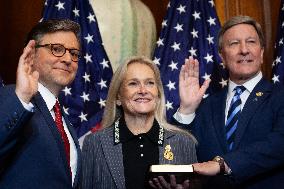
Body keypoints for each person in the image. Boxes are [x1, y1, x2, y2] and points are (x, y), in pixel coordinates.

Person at [169, 15, 284, 189]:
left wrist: (223, 164)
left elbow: (279, 143)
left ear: (261, 53)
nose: (244, 50)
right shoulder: (205, 107)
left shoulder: (279, 96)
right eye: (234, 43)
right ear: (222, 56)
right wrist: (186, 110)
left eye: (251, 42)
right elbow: (174, 156)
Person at [80, 56, 197, 189]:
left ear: (158, 95)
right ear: (118, 97)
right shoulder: (94, 143)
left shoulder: (184, 142)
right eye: (133, 83)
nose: (143, 90)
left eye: (150, 83)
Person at [0, 19, 81, 188]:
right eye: (57, 49)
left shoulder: (64, 120)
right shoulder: (11, 98)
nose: (68, 59)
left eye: (74, 53)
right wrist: (22, 96)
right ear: (32, 53)